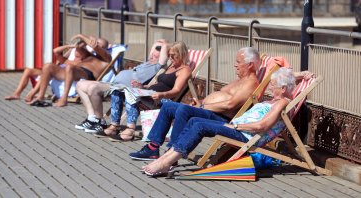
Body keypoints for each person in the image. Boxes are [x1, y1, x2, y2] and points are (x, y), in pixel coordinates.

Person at [142, 67, 296, 176]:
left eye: (273, 85)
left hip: (245, 135)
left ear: (283, 89)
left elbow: (262, 125)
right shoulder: (274, 99)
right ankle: (167, 158)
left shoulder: (281, 103)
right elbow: (288, 80)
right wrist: (301, 75)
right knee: (195, 119)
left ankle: (166, 162)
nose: (270, 87)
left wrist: (236, 125)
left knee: (200, 125)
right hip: (238, 128)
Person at [129, 47, 261, 160]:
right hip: (210, 110)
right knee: (168, 106)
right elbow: (222, 98)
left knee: (183, 110)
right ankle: (153, 147)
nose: (235, 65)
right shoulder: (239, 80)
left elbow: (230, 105)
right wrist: (201, 101)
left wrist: (202, 106)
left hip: (221, 117)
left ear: (250, 64)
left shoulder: (251, 83)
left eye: (238, 62)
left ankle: (171, 153)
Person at [95, 41, 192, 142]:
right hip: (149, 94)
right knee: (117, 92)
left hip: (162, 99)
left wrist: (161, 94)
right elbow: (157, 84)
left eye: (173, 55)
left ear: (182, 54)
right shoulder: (170, 66)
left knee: (131, 95)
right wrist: (142, 86)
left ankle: (130, 130)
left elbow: (176, 91)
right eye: (169, 55)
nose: (170, 58)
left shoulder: (184, 70)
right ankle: (114, 126)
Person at [74, 39, 169, 133]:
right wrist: (157, 43)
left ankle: (100, 121)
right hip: (114, 84)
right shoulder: (147, 63)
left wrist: (164, 43)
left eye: (158, 49)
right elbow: (152, 51)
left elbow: (164, 52)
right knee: (80, 84)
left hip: (122, 88)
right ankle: (92, 118)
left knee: (92, 88)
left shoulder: (158, 66)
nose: (153, 52)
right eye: (155, 49)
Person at [29, 34, 112, 107]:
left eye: (100, 45)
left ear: (106, 48)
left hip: (88, 75)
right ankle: (40, 97)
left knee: (70, 67)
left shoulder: (107, 58)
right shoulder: (90, 55)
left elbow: (95, 47)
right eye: (96, 42)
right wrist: (90, 37)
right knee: (48, 66)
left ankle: (63, 99)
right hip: (73, 71)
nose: (97, 45)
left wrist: (80, 35)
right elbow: (79, 46)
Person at [4, 42, 89, 103]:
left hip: (60, 77)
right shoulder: (68, 60)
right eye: (76, 51)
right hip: (55, 75)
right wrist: (71, 46)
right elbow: (55, 51)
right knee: (28, 70)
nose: (76, 52)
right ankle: (17, 94)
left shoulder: (80, 64)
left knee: (47, 69)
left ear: (85, 53)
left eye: (79, 51)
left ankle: (33, 94)